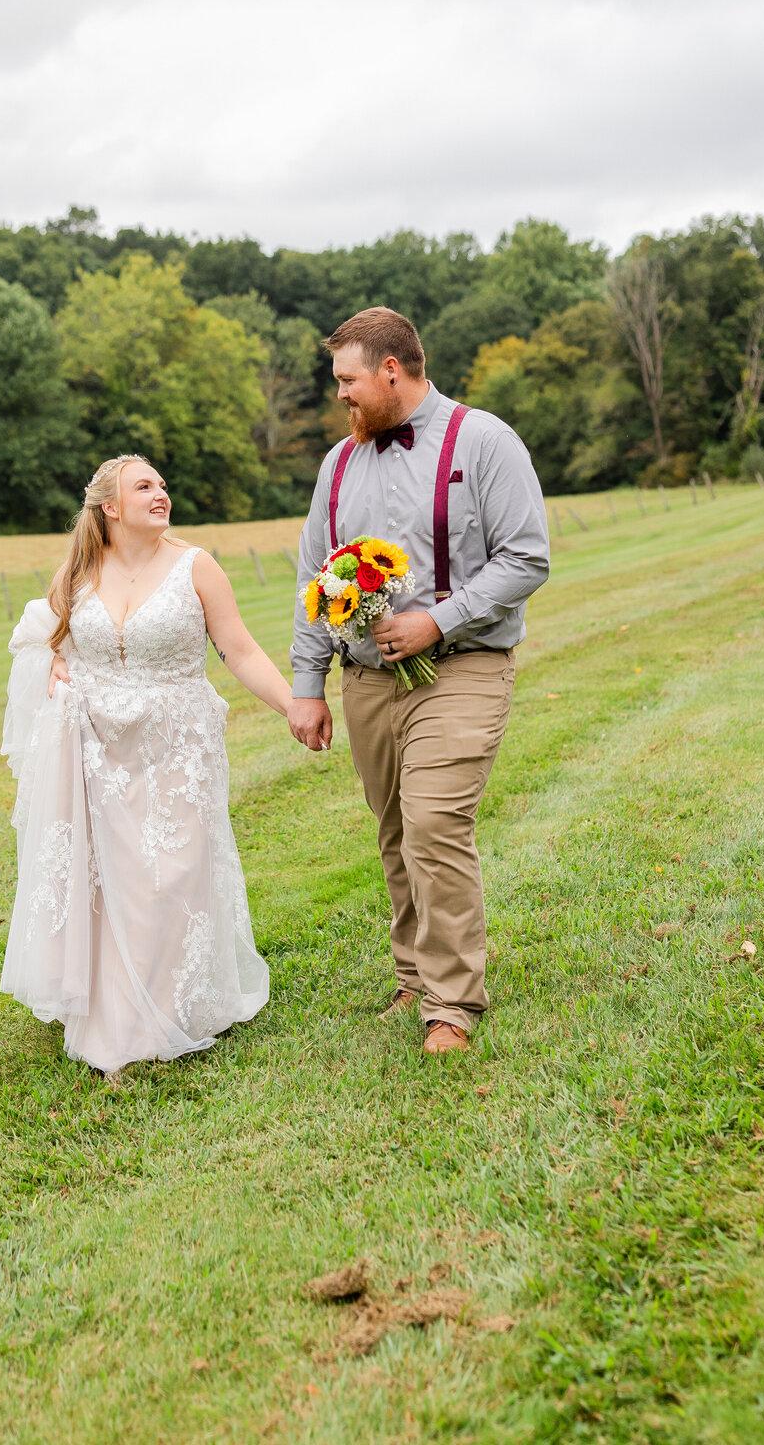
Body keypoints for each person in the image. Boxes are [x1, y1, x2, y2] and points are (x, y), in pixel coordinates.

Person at [286, 307, 549, 1055]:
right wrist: (308, 682)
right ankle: (412, 976)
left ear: (391, 370)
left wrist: (438, 622)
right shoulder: (337, 466)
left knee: (435, 824)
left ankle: (452, 1004)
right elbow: (315, 577)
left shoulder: (485, 441)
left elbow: (527, 557)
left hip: (463, 668)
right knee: (397, 831)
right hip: (367, 683)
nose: (341, 394)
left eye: (348, 380)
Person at [0, 455, 292, 1076]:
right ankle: (118, 1017)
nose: (161, 493)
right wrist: (54, 663)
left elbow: (239, 650)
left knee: (169, 877)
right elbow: (36, 635)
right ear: (110, 507)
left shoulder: (196, 567)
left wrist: (293, 706)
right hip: (96, 749)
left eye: (162, 484)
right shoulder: (79, 571)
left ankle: (172, 1006)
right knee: (114, 881)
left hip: (175, 749)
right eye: (144, 486)